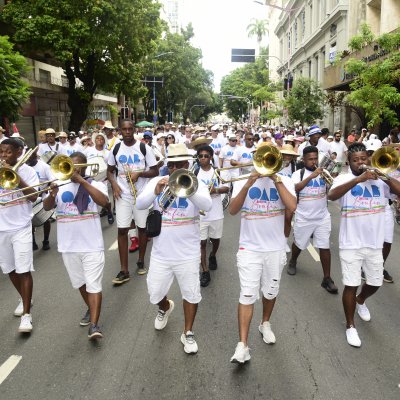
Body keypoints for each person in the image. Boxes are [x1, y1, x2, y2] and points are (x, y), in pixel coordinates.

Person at [136, 143, 212, 354]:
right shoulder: (155, 181)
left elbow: (207, 206)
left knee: (191, 294)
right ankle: (165, 307)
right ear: (167, 165)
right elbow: (140, 204)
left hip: (188, 253)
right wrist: (156, 191)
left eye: (180, 165)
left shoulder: (196, 183)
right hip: (161, 252)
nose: (175, 169)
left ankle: (187, 332)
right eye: (172, 166)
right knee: (154, 292)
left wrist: (188, 189)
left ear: (187, 165)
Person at [229, 144, 297, 364]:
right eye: (263, 158)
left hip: (275, 247)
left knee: (270, 291)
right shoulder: (243, 180)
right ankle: (243, 345)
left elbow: (292, 207)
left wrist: (276, 180)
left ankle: (265, 322)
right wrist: (249, 182)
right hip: (249, 247)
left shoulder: (285, 181)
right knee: (247, 294)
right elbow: (232, 209)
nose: (266, 163)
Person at [328, 142, 400, 347]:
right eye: (356, 160)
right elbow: (332, 195)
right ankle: (350, 326)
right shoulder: (344, 178)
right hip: (350, 243)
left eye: (363, 158)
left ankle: (361, 301)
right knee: (351, 284)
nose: (361, 162)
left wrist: (385, 176)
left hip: (374, 243)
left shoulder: (380, 179)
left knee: (375, 283)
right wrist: (359, 179)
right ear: (349, 162)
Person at [43, 152, 109, 339]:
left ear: (85, 166)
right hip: (68, 245)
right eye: (71, 164)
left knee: (94, 284)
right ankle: (91, 307)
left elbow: (105, 203)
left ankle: (94, 325)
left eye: (78, 165)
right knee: (80, 283)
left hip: (92, 245)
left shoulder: (96, 184)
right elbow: (47, 207)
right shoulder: (60, 184)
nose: (74, 168)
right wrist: (52, 194)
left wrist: (82, 181)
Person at [107, 119, 158, 282]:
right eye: (124, 129)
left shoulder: (144, 148)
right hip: (122, 195)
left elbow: (155, 171)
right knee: (122, 230)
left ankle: (141, 261)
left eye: (130, 129)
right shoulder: (115, 148)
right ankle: (124, 270)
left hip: (141, 195)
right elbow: (109, 171)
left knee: (142, 228)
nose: (127, 132)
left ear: (134, 130)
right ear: (120, 131)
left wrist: (140, 174)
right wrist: (114, 184)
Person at [0, 139, 39, 333]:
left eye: (8, 152)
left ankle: (26, 315)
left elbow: (33, 196)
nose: (4, 156)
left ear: (18, 152)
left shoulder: (29, 172)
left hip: (22, 226)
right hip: (1, 227)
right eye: (2, 152)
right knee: (10, 269)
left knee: (24, 270)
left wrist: (15, 177)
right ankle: (25, 298)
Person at [287, 146, 338, 293]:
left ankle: (327, 278)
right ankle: (293, 260)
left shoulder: (324, 172)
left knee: (324, 246)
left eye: (316, 158)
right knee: (299, 244)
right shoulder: (299, 173)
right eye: (310, 159)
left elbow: (330, 191)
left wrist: (330, 182)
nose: (314, 161)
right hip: (304, 217)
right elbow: (295, 189)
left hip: (322, 216)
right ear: (303, 159)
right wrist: (311, 176)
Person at [196, 145, 229, 287]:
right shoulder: (194, 171)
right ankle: (204, 271)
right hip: (200, 214)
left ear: (211, 157)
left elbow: (227, 187)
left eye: (206, 156)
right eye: (200, 156)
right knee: (201, 243)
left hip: (216, 211)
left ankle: (213, 255)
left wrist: (215, 189)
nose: (203, 158)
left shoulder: (217, 172)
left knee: (215, 240)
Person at [26, 148, 54, 250]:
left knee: (45, 219)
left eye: (30, 156)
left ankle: (46, 240)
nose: (28, 158)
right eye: (27, 156)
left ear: (35, 155)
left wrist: (45, 190)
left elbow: (52, 181)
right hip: (30, 197)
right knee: (30, 220)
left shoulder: (44, 166)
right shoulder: (25, 167)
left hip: (43, 196)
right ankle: (33, 241)